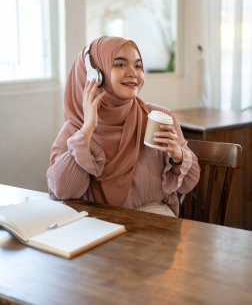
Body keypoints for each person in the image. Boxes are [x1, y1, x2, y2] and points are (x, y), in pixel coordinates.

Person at [47, 36, 200, 217]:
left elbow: (189, 183)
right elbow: (63, 191)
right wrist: (87, 130)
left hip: (153, 219)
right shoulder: (75, 129)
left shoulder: (159, 118)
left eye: (138, 66)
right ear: (94, 75)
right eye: (120, 64)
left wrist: (178, 155)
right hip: (97, 222)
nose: (133, 73)